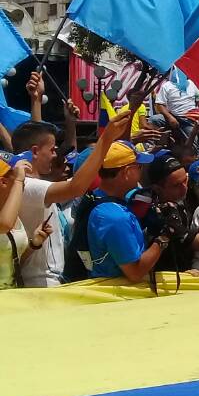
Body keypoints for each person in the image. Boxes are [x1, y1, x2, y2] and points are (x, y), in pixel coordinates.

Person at [12, 111, 131, 286]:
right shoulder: (27, 185)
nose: (55, 155)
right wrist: (105, 139)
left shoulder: (35, 184)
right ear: (35, 151)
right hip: (40, 283)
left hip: (48, 280)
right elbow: (76, 187)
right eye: (52, 150)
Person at [85, 141, 167, 282]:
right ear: (127, 172)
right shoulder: (115, 217)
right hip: (114, 295)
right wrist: (164, 237)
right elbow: (135, 273)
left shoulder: (93, 197)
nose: (142, 172)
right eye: (139, 166)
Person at [0, 155, 42, 289]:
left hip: (10, 296)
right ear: (3, 182)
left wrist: (34, 244)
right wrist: (18, 180)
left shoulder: (12, 213)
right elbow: (4, 225)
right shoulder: (7, 219)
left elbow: (13, 260)